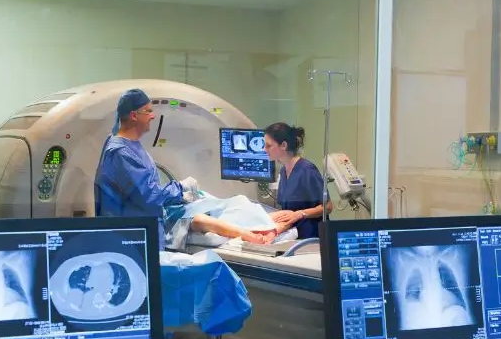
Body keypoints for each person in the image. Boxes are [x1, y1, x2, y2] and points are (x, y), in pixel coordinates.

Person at [95, 89, 275, 245]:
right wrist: (181, 188)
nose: (153, 115)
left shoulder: (127, 146)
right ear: (134, 116)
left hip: (144, 226)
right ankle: (255, 229)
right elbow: (150, 197)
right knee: (211, 214)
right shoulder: (121, 152)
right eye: (148, 111)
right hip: (133, 235)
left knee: (237, 203)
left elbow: (146, 192)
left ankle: (269, 224)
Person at [262, 122, 329, 239]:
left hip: (312, 239)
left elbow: (327, 207)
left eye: (268, 145)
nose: (264, 149)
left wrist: (300, 214)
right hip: (293, 236)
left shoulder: (307, 170)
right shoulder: (284, 171)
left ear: (283, 145)